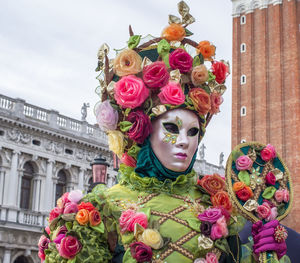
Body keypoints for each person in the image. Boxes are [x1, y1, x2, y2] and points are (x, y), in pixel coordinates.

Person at [38, 2, 290, 262]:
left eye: (194, 132)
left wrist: (263, 253)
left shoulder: (216, 206)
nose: (184, 142)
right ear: (144, 133)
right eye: (171, 128)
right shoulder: (102, 206)